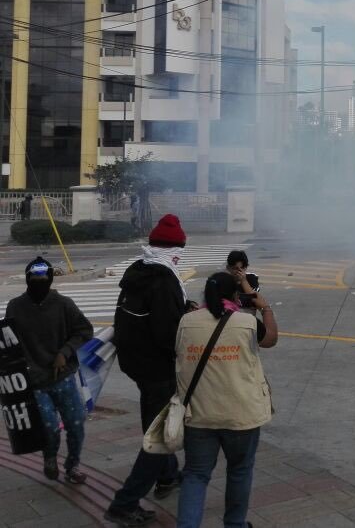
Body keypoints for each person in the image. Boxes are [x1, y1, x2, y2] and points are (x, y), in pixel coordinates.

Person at [105, 214, 193, 527]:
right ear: (175, 249)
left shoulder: (138, 271)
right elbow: (167, 333)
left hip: (135, 363)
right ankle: (124, 504)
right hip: (158, 368)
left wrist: (183, 307)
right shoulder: (165, 280)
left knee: (155, 421)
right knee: (160, 438)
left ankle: (168, 476)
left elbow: (144, 313)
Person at [175, 272, 277, 528]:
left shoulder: (186, 322)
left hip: (199, 414)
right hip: (241, 415)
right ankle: (234, 524)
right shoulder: (247, 322)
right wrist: (264, 308)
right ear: (235, 295)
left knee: (195, 475)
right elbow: (270, 340)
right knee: (240, 471)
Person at [4, 257, 93, 484]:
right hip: (34, 381)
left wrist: (65, 352)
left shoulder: (64, 304)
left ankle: (72, 466)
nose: (39, 282)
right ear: (27, 279)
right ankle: (50, 457)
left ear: (51, 278)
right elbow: (9, 343)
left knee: (76, 424)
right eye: (34, 278)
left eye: (44, 277)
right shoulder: (15, 306)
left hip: (62, 377)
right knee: (49, 427)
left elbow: (84, 330)